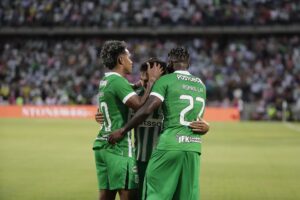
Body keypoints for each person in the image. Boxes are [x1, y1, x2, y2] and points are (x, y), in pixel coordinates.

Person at [95, 57, 209, 199]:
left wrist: (206, 126)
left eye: (147, 78)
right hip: (140, 160)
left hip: (163, 156)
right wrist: (101, 115)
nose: (144, 81)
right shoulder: (133, 96)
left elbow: (188, 116)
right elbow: (111, 107)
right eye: (143, 77)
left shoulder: (168, 96)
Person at [93, 40, 163, 200]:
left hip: (102, 145)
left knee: (105, 196)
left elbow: (117, 96)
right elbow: (139, 105)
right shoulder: (118, 81)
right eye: (129, 57)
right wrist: (151, 81)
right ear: (120, 60)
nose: (131, 61)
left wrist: (140, 83)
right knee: (129, 196)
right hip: (119, 148)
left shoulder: (106, 80)